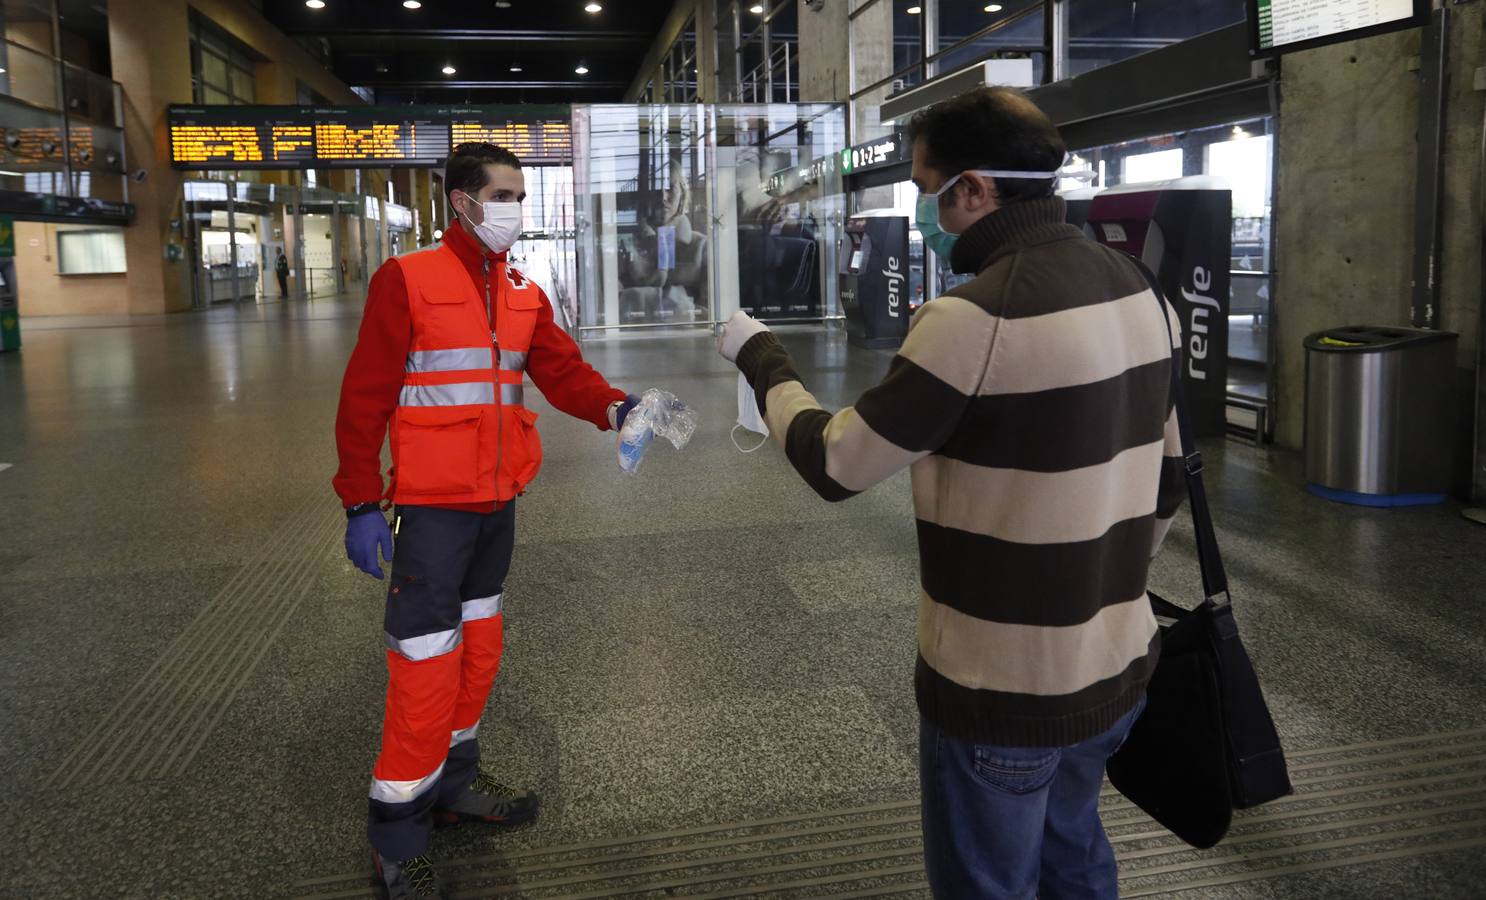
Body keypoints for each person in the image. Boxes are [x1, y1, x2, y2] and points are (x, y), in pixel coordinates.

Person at [717, 87, 1185, 899]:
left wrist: (764, 360)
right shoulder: (1138, 285)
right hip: (1118, 663)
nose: (921, 204)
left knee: (988, 883)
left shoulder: (972, 316)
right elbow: (1171, 478)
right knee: (1074, 856)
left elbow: (839, 464)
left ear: (973, 190)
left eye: (924, 184)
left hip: (1006, 688)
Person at [334, 142, 656, 899]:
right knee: (423, 662)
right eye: (504, 194)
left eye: (520, 194)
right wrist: (359, 499)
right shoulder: (405, 280)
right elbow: (364, 398)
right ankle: (398, 834)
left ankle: (452, 788)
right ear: (462, 200)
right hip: (434, 510)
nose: (515, 208)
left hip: (496, 504)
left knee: (478, 648)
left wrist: (618, 406)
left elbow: (560, 369)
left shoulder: (520, 289)